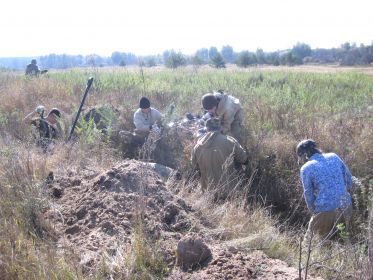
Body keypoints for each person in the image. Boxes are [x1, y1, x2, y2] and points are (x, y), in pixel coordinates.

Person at [296, 139, 353, 240]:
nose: (301, 161)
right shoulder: (334, 156)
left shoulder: (306, 168)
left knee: (311, 245)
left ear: (305, 155)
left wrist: (314, 212)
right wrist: (342, 194)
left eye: (300, 158)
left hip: (325, 210)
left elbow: (308, 194)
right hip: (346, 206)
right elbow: (349, 179)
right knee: (343, 241)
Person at [191, 118, 248, 199]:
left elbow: (194, 166)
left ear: (206, 129)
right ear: (220, 128)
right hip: (229, 189)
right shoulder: (230, 141)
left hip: (208, 191)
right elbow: (244, 159)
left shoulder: (197, 146)